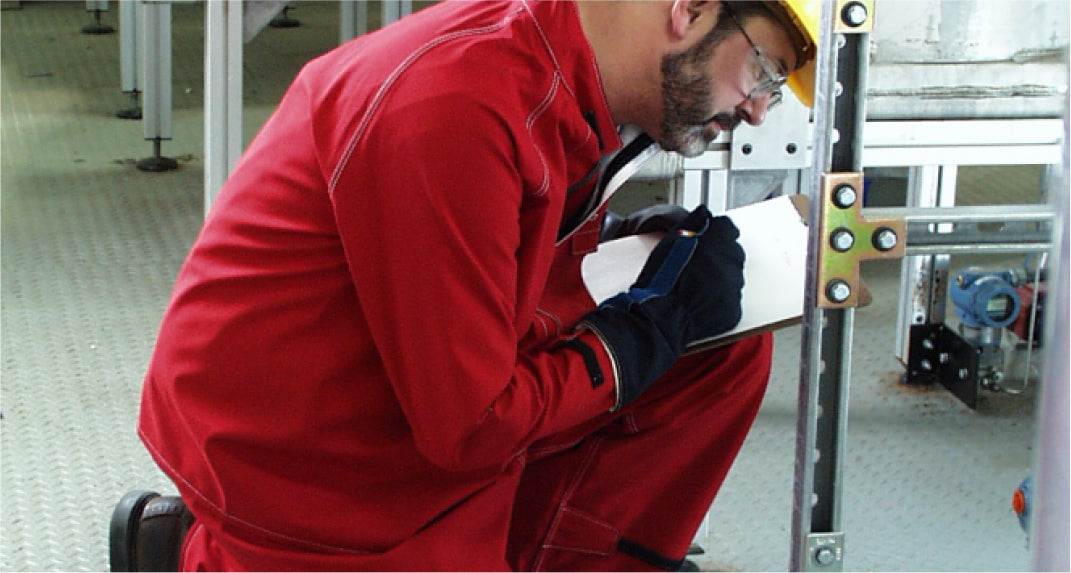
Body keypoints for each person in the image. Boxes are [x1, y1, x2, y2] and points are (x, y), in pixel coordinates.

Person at [136, 0, 818, 570]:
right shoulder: (456, 104)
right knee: (661, 339)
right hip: (301, 461)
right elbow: (470, 427)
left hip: (400, 389)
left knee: (717, 350)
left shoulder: (566, 74)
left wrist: (622, 251)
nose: (758, 111)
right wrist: (640, 333)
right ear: (690, 8)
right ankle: (211, 550)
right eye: (763, 72)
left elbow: (494, 256)